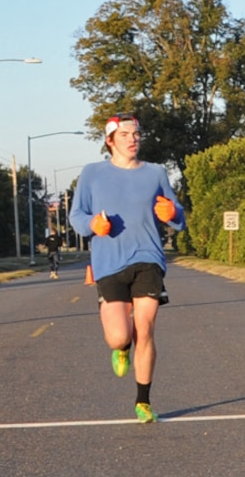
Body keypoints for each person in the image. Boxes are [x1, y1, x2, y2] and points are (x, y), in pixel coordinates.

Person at [69, 114, 185, 423]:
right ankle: (121, 349)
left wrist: (173, 212)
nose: (133, 139)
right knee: (120, 336)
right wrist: (93, 225)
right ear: (110, 141)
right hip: (109, 264)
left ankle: (143, 401)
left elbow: (178, 217)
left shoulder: (156, 173)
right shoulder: (92, 174)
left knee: (145, 329)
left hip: (148, 259)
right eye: (125, 135)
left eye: (136, 133)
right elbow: (77, 216)